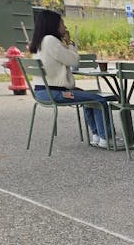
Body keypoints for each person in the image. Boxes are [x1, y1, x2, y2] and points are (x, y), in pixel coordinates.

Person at [28, 9, 116, 149]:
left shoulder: (39, 43)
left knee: (88, 97)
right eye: (62, 23)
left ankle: (97, 135)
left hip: (42, 91)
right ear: (54, 25)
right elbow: (74, 61)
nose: (65, 26)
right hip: (55, 92)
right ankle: (106, 138)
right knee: (99, 100)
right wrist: (70, 45)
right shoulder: (51, 41)